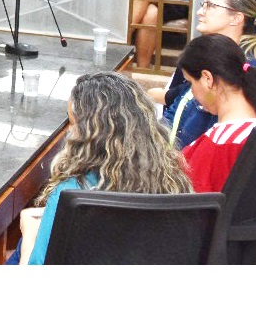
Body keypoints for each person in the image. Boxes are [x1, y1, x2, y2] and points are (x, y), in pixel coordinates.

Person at [19, 72, 194, 264]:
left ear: (88, 134)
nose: (69, 133)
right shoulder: (172, 183)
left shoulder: (71, 194)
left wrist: (29, 233)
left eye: (72, 123)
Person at [173, 33, 256, 193]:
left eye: (191, 83)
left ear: (207, 79)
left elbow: (190, 201)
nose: (193, 93)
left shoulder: (221, 144)